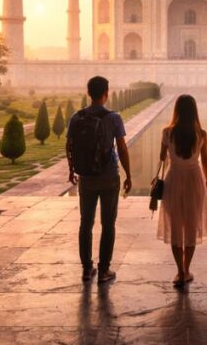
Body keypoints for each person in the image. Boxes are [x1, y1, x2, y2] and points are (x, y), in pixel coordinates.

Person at [66, 76, 132, 284]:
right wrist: (129, 174)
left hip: (85, 176)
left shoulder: (77, 117)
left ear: (88, 93)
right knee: (108, 223)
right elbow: (121, 148)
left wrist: (71, 169)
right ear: (106, 93)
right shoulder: (113, 118)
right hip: (109, 176)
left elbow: (69, 145)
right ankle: (104, 270)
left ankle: (87, 269)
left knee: (85, 223)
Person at [156, 94, 207, 288]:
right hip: (194, 179)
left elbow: (162, 158)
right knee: (191, 226)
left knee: (175, 227)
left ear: (177, 111)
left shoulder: (167, 133)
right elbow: (204, 160)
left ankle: (179, 271)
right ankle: (186, 269)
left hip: (173, 179)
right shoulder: (202, 134)